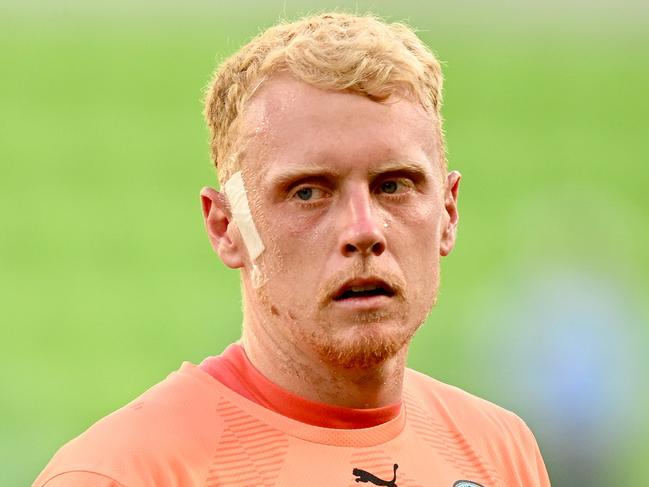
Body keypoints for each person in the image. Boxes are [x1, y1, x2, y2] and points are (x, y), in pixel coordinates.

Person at [34, 12, 551, 487]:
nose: (364, 229)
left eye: (394, 185)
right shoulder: (123, 473)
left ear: (448, 212)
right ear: (226, 227)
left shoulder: (500, 450)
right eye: (308, 192)